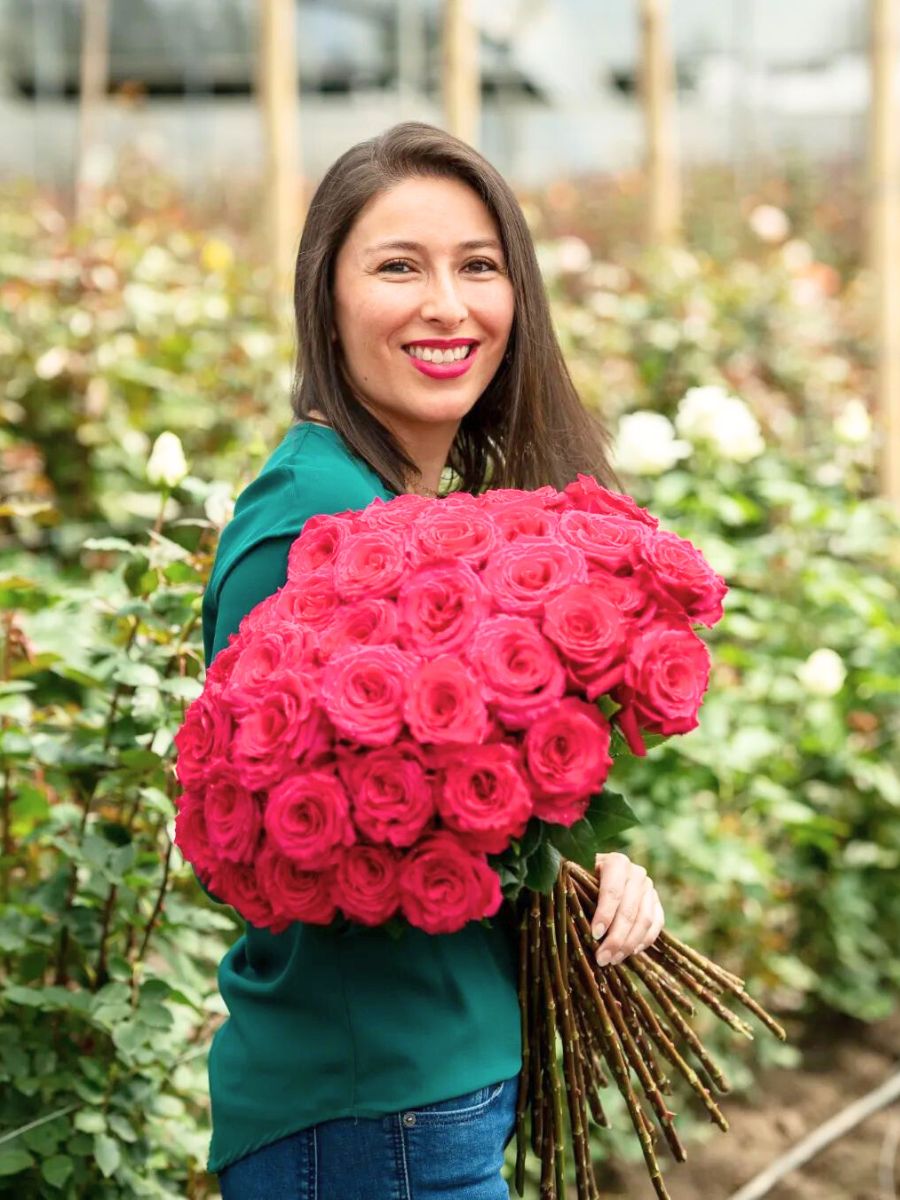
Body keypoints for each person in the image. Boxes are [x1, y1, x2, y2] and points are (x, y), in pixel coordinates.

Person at [199, 120, 665, 1200]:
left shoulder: (400, 504)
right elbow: (287, 839)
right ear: (327, 296)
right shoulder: (310, 519)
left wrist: (579, 866)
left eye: (479, 266)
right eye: (398, 266)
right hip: (370, 1111)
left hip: (417, 1102)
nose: (447, 305)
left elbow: (444, 809)